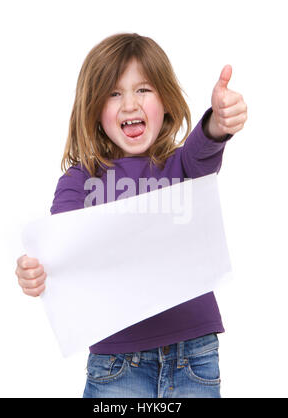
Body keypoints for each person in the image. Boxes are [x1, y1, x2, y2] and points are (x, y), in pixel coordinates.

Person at [15, 33, 247, 398]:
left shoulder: (180, 165)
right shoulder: (81, 180)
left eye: (143, 90)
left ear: (166, 100)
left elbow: (203, 150)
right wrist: (34, 271)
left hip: (195, 354)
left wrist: (218, 122)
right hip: (116, 361)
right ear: (93, 108)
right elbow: (58, 247)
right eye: (113, 93)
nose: (128, 105)